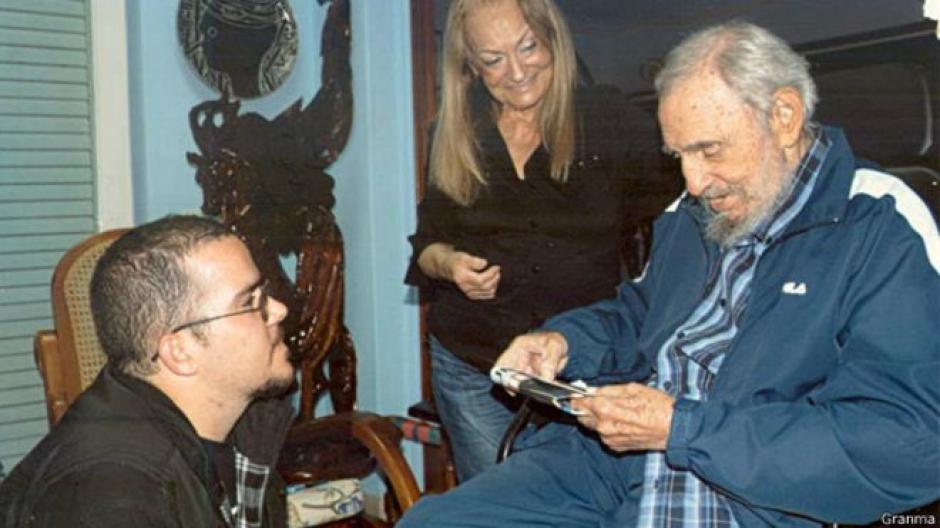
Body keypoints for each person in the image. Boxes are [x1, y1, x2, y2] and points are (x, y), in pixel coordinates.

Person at [399, 21, 940, 527]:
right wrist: (567, 341)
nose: (693, 181)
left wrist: (684, 430)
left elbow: (909, 445)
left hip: (750, 493)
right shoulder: (695, 210)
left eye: (708, 150)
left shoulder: (882, 224)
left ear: (784, 117)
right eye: (679, 155)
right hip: (613, 463)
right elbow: (641, 312)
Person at [406, 0, 660, 482]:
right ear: (472, 66)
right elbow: (427, 244)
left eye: (528, 47)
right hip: (475, 366)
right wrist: (450, 263)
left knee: (583, 503)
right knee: (501, 506)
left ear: (553, 41)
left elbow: (678, 216)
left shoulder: (610, 120)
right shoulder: (457, 133)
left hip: (580, 367)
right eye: (494, 58)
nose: (517, 71)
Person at [0, 216, 296, 527]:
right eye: (250, 301)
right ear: (180, 352)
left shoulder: (244, 432)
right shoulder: (114, 495)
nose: (279, 310)